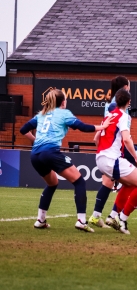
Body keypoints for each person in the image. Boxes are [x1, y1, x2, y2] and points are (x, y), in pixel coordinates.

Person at [19, 88, 113, 232]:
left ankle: (40, 220)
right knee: (79, 181)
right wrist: (102, 127)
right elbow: (82, 127)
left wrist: (36, 140)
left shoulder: (41, 114)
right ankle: (81, 221)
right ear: (63, 102)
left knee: (52, 184)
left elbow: (23, 129)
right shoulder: (64, 113)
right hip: (50, 152)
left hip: (35, 155)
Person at [89, 75, 137, 228]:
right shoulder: (116, 107)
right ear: (125, 88)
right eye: (129, 85)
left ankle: (96, 216)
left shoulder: (113, 104)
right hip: (119, 147)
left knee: (107, 182)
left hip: (108, 149)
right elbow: (120, 131)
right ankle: (118, 211)